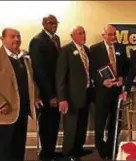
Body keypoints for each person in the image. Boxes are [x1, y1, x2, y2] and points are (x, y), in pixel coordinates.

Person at [0, 28, 42, 161]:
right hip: (2, 116)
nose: (16, 39)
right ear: (2, 39)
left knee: (18, 154)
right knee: (2, 155)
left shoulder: (25, 58)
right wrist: (0, 104)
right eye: (12, 36)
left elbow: (30, 82)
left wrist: (34, 97)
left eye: (18, 36)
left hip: (21, 115)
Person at [89, 24, 128, 159]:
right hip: (102, 93)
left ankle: (112, 147)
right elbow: (91, 70)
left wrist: (122, 77)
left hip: (117, 92)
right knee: (100, 122)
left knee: (115, 121)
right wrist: (102, 81)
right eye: (110, 34)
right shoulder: (94, 49)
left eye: (114, 34)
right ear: (103, 35)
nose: (113, 37)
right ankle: (101, 149)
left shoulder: (121, 48)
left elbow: (125, 67)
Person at [56, 26, 93, 161]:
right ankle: (67, 153)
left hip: (86, 94)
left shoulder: (86, 50)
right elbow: (60, 76)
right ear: (72, 36)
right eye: (80, 33)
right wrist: (62, 98)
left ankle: (78, 149)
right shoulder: (66, 51)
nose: (83, 35)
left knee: (82, 124)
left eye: (84, 33)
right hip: (71, 97)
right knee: (71, 126)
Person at [28, 14, 61, 160]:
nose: (53, 25)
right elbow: (39, 71)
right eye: (50, 22)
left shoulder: (56, 39)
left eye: (55, 22)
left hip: (57, 89)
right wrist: (50, 95)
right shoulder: (37, 41)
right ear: (43, 23)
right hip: (46, 92)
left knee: (54, 123)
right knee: (46, 124)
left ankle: (51, 151)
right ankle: (45, 154)